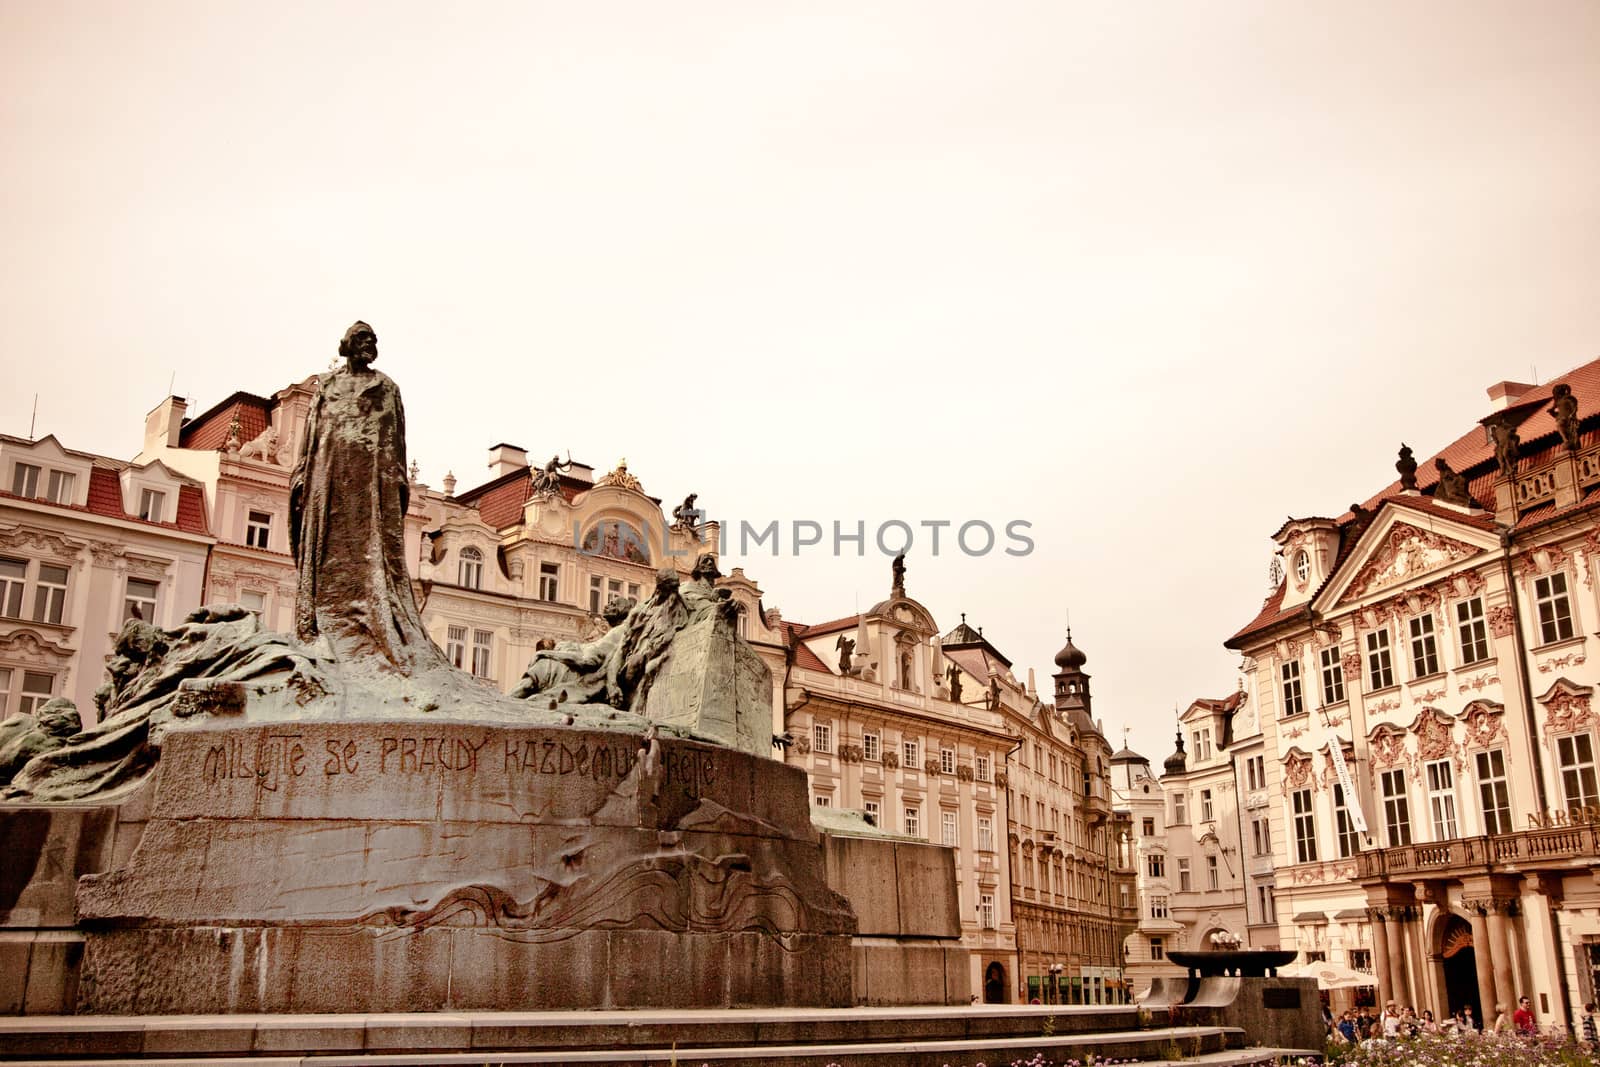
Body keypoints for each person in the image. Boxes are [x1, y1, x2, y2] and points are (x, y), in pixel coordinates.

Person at [290, 321, 449, 674]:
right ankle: (327, 625)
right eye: (363, 339)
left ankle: (370, 630)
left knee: (369, 548)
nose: (370, 344)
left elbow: (397, 439)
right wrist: (302, 472)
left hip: (370, 480)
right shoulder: (326, 386)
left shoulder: (386, 388)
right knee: (328, 548)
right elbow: (312, 433)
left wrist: (397, 480)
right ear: (347, 344)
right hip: (328, 475)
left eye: (373, 340)